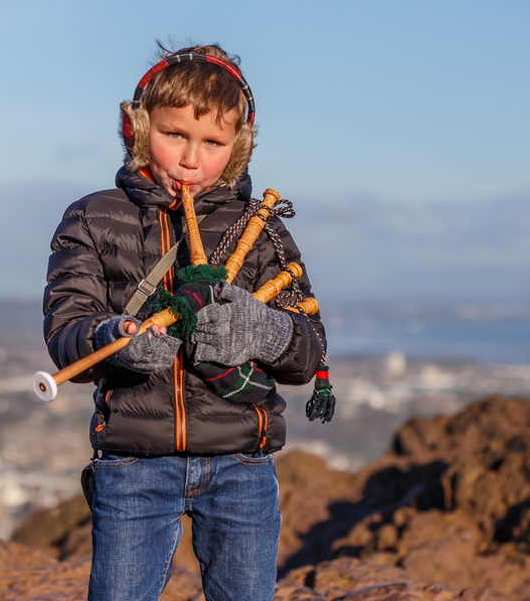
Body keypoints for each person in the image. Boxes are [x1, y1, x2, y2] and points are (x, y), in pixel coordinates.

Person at [43, 43, 325, 601]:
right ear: (140, 129)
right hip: (132, 463)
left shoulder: (259, 227)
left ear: (238, 146)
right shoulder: (94, 217)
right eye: (175, 135)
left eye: (213, 143)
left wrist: (262, 330)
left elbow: (310, 352)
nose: (191, 160)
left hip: (242, 462)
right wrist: (113, 340)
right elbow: (66, 332)